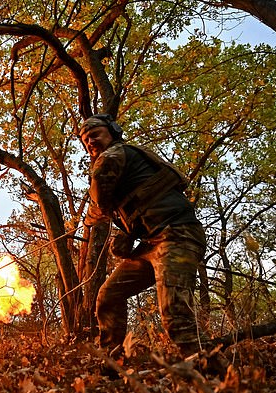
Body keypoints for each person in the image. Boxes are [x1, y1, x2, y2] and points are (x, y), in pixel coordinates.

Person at [80, 113, 208, 360]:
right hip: (152, 244)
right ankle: (112, 363)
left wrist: (88, 219)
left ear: (113, 132)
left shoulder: (113, 155)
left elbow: (99, 202)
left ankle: (214, 373)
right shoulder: (122, 165)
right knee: (109, 296)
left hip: (177, 236)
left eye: (95, 134)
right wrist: (126, 235)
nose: (90, 142)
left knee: (175, 314)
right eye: (86, 140)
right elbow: (133, 208)